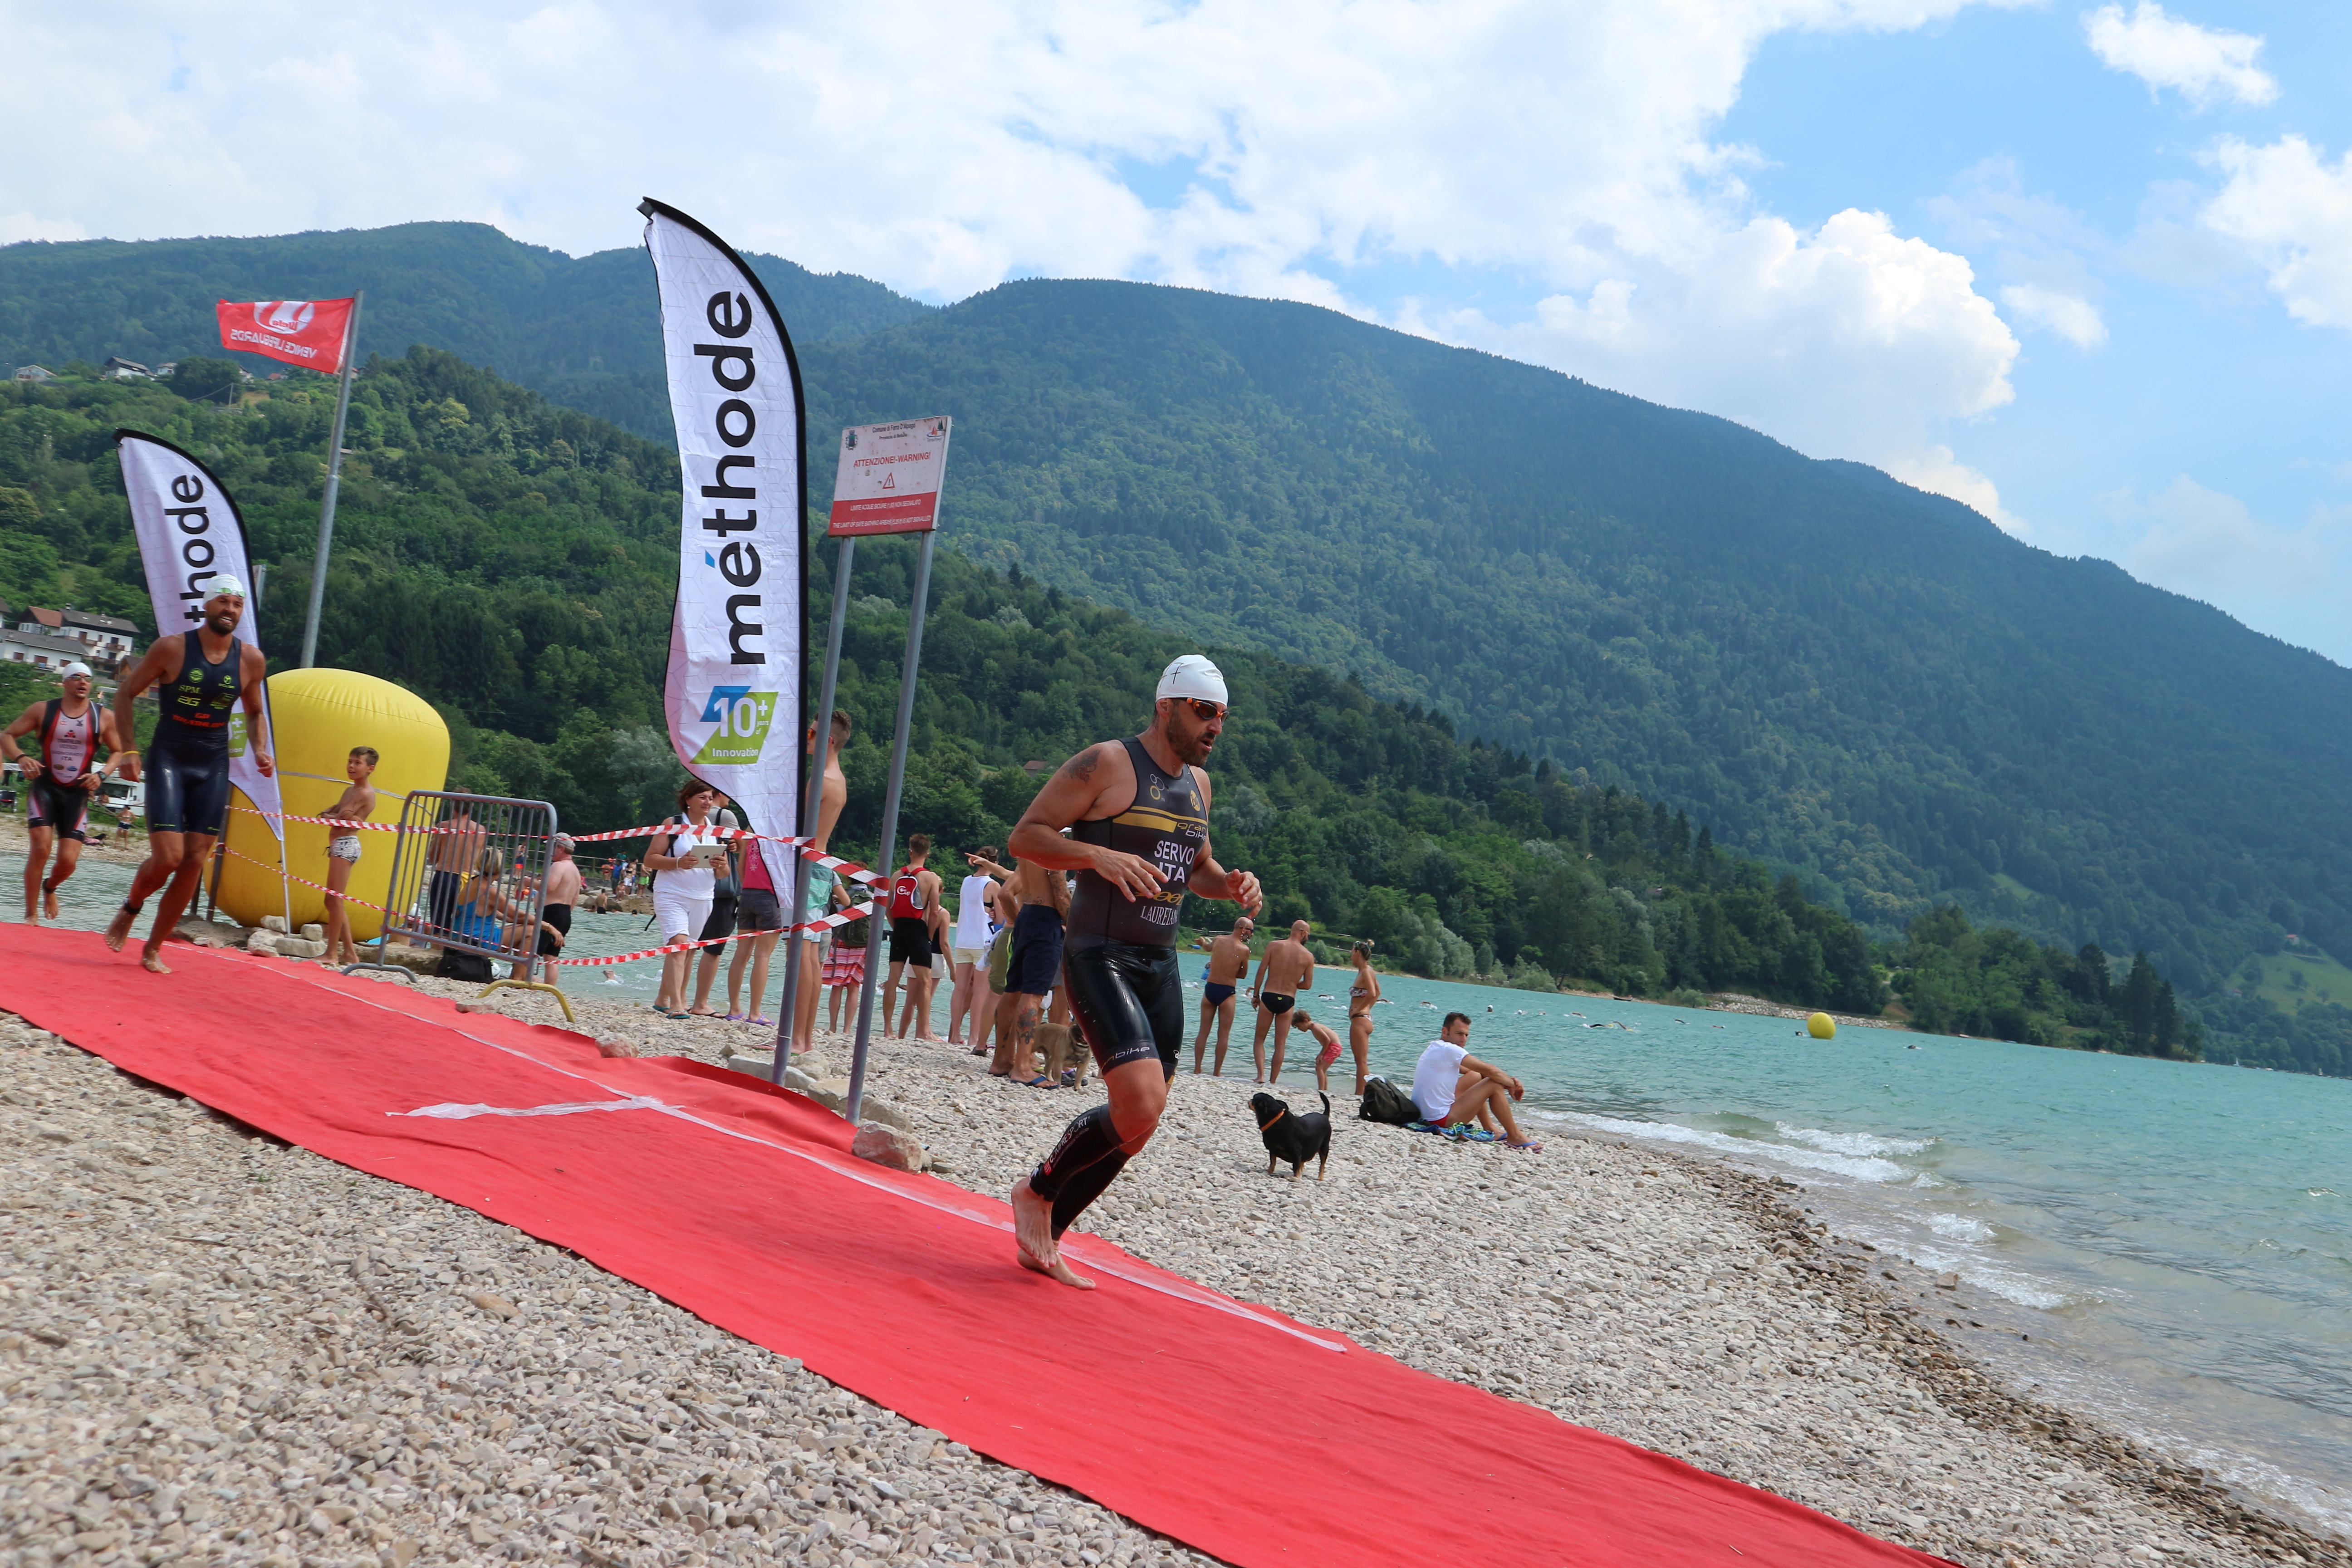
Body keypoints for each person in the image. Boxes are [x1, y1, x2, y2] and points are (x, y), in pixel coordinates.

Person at [1005, 655, 1262, 1289]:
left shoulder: (1199, 786)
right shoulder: (1110, 763)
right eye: (1205, 712)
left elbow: (1194, 866)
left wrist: (1228, 885)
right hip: (1099, 951)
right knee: (1140, 1100)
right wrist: (1095, 853)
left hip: (1159, 960)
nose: (1215, 728)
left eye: (1223, 717)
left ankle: (1047, 1234)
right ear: (1166, 705)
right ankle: (1035, 1192)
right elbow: (1026, 836)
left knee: (1140, 1123)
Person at [102, 579, 274, 974]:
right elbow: (126, 693)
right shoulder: (172, 648)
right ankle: (131, 907)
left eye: (236, 603)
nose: (229, 609)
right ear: (207, 604)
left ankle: (153, 948)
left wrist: (260, 748)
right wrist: (129, 749)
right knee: (169, 856)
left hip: (213, 761)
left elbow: (253, 711)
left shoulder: (251, 660)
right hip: (170, 756)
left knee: (195, 860)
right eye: (222, 601)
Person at [2, 661, 126, 924]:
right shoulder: (43, 710)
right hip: (45, 788)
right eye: (77, 678)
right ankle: (31, 913)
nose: (83, 683)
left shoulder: (103, 717)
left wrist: (101, 775)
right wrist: (21, 757)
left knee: (68, 862)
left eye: (88, 679)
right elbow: (7, 736)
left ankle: (50, 888)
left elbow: (118, 751)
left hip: (77, 794)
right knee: (41, 849)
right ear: (65, 682)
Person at [971, 843, 1073, 1087]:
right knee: (1034, 995)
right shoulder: (1054, 850)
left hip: (1026, 917)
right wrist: (1076, 927)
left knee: (1012, 991)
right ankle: (1023, 1067)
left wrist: (1021, 925)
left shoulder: (1030, 852)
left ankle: (1001, 1060)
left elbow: (1006, 894)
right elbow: (1060, 895)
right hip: (1047, 920)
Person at [789, 710, 853, 1054]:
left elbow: (796, 821)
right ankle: (805, 1037)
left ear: (828, 740)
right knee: (810, 956)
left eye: (811, 734)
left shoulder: (823, 780)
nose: (806, 738)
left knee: (802, 954)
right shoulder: (837, 777)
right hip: (821, 865)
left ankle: (798, 1039)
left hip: (808, 866)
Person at [645, 780, 726, 1017]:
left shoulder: (714, 830)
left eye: (710, 798)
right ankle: (677, 1005)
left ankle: (664, 998)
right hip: (672, 893)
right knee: (679, 946)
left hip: (703, 896)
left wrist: (721, 866)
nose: (707, 803)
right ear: (688, 800)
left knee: (688, 951)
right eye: (702, 797)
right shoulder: (674, 824)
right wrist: (679, 862)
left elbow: (723, 874)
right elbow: (650, 859)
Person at [1411, 1011, 1542, 1151]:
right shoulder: (1450, 1049)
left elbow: (1479, 1073)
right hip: (1441, 1120)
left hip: (1425, 1116)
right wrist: (1513, 1085)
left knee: (1475, 1076)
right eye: (1459, 1034)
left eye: (1466, 1035)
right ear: (1445, 1032)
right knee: (1493, 1084)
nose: (1464, 1039)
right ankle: (1515, 1136)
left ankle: (1491, 1128)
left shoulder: (1437, 1048)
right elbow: (1491, 1071)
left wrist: (1507, 1081)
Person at [880, 833, 949, 1040]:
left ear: (910, 851)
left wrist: (896, 928)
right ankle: (925, 1030)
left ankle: (888, 1030)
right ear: (927, 854)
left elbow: (888, 908)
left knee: (893, 980)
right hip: (918, 930)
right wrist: (927, 935)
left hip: (899, 929)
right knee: (926, 982)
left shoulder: (896, 876)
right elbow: (935, 911)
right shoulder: (930, 878)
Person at [317, 746, 380, 966]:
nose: (351, 767)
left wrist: (338, 815)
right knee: (334, 901)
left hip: (346, 845)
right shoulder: (350, 790)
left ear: (370, 769)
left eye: (357, 763)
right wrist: (337, 815)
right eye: (350, 762)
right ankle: (350, 954)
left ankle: (332, 953)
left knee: (333, 900)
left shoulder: (364, 793)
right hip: (338, 844)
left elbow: (338, 816)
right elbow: (329, 813)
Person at [686, 791, 742, 1015]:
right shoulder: (725, 815)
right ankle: (700, 1002)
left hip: (693, 887)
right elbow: (739, 846)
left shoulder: (685, 818)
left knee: (687, 946)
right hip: (720, 889)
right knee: (713, 949)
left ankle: (676, 997)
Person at [725, 828, 785, 1025]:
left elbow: (741, 867)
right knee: (763, 956)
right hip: (769, 896)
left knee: (741, 953)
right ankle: (755, 1012)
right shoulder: (780, 829)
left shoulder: (750, 831)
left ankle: (734, 1008)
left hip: (748, 894)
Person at [946, 845, 1002, 1045]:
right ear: (995, 862)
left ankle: (954, 1036)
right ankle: (974, 1037)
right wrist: (995, 914)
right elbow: (1000, 919)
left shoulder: (966, 881)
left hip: (962, 938)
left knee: (960, 988)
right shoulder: (992, 885)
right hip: (982, 941)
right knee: (981, 991)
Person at [1250, 918, 1318, 1083]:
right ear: (1303, 933)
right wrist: (1293, 983)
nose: (1307, 937)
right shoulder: (1308, 956)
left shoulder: (1274, 946)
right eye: (1308, 935)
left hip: (1269, 995)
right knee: (1280, 1044)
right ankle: (1273, 1081)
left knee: (1260, 1039)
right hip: (1287, 999)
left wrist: (1256, 995)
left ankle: (1261, 1076)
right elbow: (1308, 985)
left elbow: (1261, 972)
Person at [1190, 915, 1254, 1075]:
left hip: (1210, 988)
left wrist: (1202, 943)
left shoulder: (1218, 940)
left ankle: (1197, 1069)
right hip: (1227, 992)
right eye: (1251, 931)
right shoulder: (1244, 950)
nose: (1252, 935)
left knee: (1203, 1031)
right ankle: (1217, 1073)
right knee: (1223, 1035)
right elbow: (1243, 974)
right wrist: (1230, 970)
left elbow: (1207, 947)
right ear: (1244, 929)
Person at [425, 794, 487, 947]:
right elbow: (480, 859)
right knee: (463, 925)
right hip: (469, 879)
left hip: (445, 876)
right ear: (471, 807)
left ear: (454, 806)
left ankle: (437, 957)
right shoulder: (480, 830)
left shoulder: (445, 826)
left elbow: (432, 858)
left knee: (440, 926)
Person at [530, 831, 583, 981]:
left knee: (532, 951)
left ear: (560, 848)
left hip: (551, 913)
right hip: (565, 914)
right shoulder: (575, 870)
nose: (550, 852)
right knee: (551, 957)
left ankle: (524, 979)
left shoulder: (559, 866)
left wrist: (527, 882)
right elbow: (575, 898)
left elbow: (549, 887)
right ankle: (549, 990)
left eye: (552, 847)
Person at [1345, 938, 1382, 1095]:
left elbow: (1373, 994)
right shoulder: (1368, 970)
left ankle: (1360, 1094)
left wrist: (1359, 1009)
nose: (1351, 956)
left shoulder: (1366, 971)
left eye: (1352, 953)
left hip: (1360, 1020)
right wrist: (1367, 1008)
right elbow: (1378, 993)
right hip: (1365, 1018)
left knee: (1361, 1062)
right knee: (1362, 1061)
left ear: (1357, 952)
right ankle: (1361, 1093)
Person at [1292, 1009, 1345, 1093]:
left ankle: (1321, 1090)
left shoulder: (1315, 1027)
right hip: (1335, 1047)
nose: (1299, 1029)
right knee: (1322, 1069)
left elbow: (1327, 1041)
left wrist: (1321, 1055)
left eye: (1299, 1026)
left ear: (1305, 1021)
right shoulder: (1315, 1027)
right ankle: (1325, 1090)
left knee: (1319, 1068)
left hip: (1333, 1047)